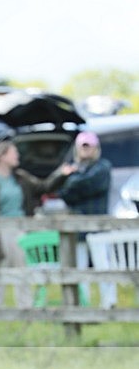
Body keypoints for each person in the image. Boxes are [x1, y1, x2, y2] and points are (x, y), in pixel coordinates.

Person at [0, 140, 70, 307]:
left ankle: (25, 307)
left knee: (22, 269)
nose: (17, 156)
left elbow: (44, 186)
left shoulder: (21, 178)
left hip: (21, 229)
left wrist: (62, 174)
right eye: (13, 153)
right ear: (2, 156)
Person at [58, 131, 112, 306]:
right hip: (78, 229)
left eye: (89, 146)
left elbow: (89, 184)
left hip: (98, 227)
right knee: (79, 268)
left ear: (96, 148)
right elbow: (63, 193)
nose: (86, 150)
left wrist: (71, 180)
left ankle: (109, 303)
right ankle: (83, 304)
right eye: (83, 147)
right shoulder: (72, 168)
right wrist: (71, 184)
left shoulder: (103, 167)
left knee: (103, 266)